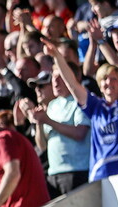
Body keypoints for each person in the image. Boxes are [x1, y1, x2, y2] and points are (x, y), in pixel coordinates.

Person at [47, 37, 118, 182]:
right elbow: (72, 84)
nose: (109, 82)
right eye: (104, 79)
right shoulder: (95, 106)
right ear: (99, 84)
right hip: (99, 176)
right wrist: (57, 57)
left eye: (114, 79)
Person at [24, 67, 91, 197]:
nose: (55, 82)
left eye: (60, 77)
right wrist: (39, 122)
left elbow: (80, 133)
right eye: (54, 78)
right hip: (54, 173)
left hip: (76, 171)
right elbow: (42, 145)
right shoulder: (52, 105)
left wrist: (48, 121)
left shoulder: (80, 100)